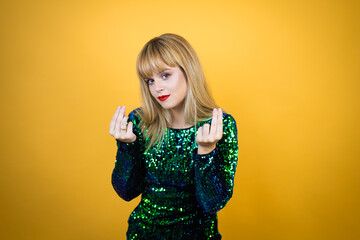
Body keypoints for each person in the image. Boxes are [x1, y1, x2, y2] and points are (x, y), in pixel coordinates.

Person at [109, 33, 239, 240]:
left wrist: (205, 153)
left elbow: (212, 203)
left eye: (165, 75)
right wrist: (127, 146)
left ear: (188, 71)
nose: (156, 87)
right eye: (149, 80)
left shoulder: (219, 125)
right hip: (142, 234)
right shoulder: (140, 122)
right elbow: (126, 192)